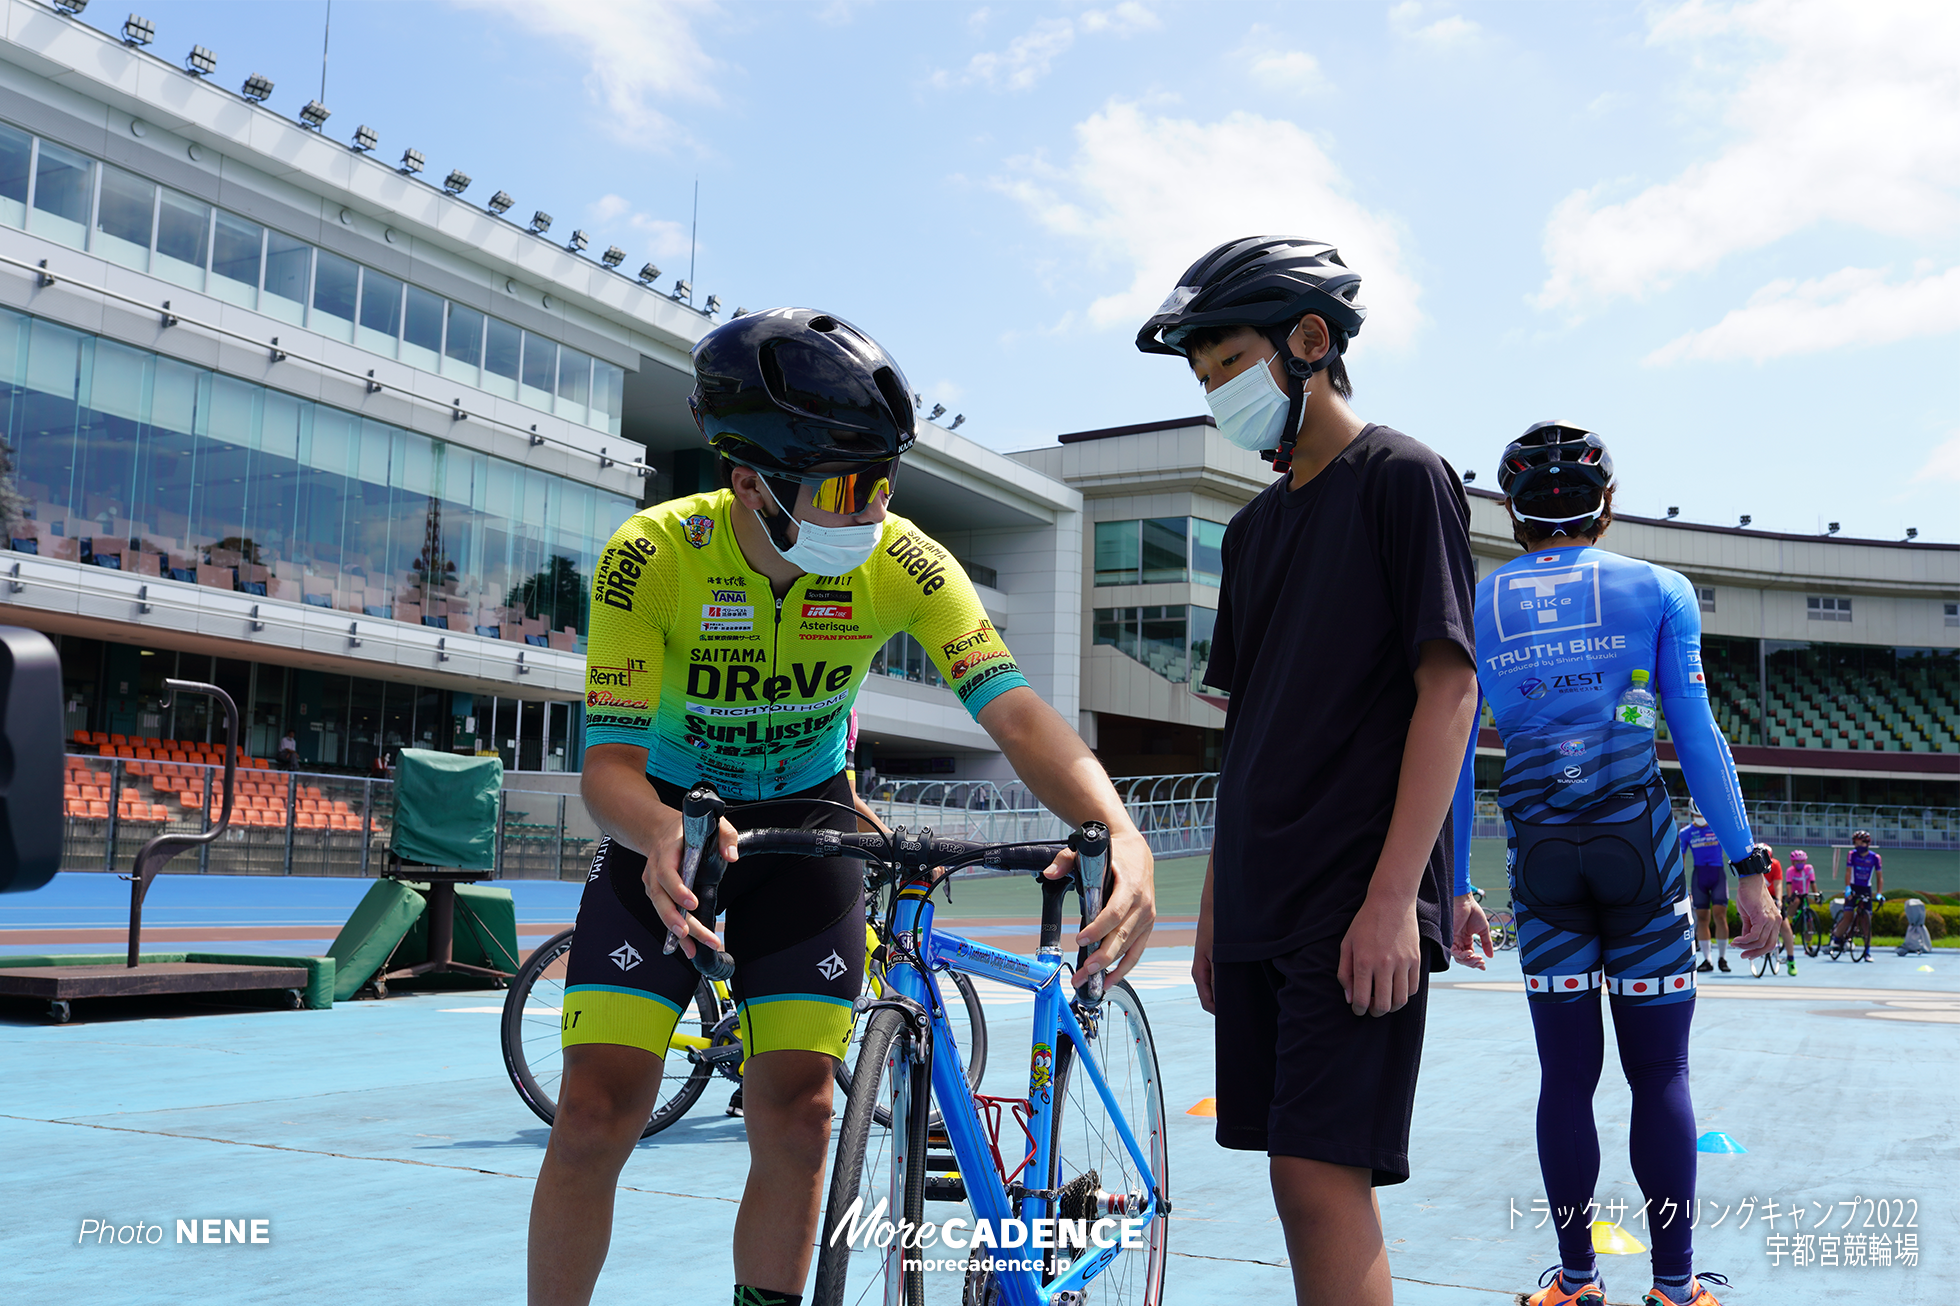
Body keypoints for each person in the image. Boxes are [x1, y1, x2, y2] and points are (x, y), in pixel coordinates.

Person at [527, 308, 1157, 1306]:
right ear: (748, 480)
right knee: (597, 1108)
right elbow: (605, 762)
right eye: (840, 486)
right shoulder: (652, 555)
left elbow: (1020, 717)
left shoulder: (901, 562)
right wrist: (653, 832)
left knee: (800, 1108)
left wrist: (1121, 826)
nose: (867, 511)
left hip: (810, 821)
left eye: (880, 482)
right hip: (667, 821)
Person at [1138, 236, 1480, 1306]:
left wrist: (1394, 902)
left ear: (1309, 340)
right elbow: (1245, 729)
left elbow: (1448, 690)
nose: (1217, 393)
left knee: (1321, 1172)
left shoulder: (1403, 478)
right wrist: (1207, 911)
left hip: (1352, 892)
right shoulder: (1252, 530)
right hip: (1258, 895)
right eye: (1203, 380)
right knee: (1290, 1176)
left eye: (1228, 363)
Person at [1461, 421, 1776, 1306]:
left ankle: (1575, 1282)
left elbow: (1451, 755)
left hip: (1540, 866)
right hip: (1641, 859)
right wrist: (1749, 865)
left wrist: (1455, 887)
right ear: (1607, 505)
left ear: (1512, 512)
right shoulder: (1661, 587)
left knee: (1565, 1078)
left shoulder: (1476, 601)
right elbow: (1697, 733)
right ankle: (1675, 1289)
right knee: (1662, 1076)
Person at [1680, 808, 1730, 972]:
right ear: (1691, 814)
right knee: (1701, 919)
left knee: (1720, 916)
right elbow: (1682, 858)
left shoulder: (1718, 827)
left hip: (1717, 875)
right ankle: (1707, 960)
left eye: (1702, 814)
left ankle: (1722, 958)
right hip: (1699, 876)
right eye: (1696, 815)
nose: (1700, 818)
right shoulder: (1686, 832)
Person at [1835, 830, 1884, 959]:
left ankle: (1867, 951)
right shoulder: (1852, 854)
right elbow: (1847, 872)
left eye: (1860, 843)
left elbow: (1879, 878)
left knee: (1866, 923)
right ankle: (1836, 938)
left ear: (1867, 843)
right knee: (1848, 916)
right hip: (1853, 887)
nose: (1857, 846)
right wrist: (1847, 888)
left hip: (1866, 888)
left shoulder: (1875, 857)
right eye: (1855, 843)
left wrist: (1879, 894)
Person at [1757, 843, 1794, 975]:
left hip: (1772, 895)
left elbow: (1778, 884)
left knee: (1784, 925)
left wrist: (1778, 900)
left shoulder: (1775, 865)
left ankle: (1791, 959)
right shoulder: (1752, 866)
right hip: (1758, 895)